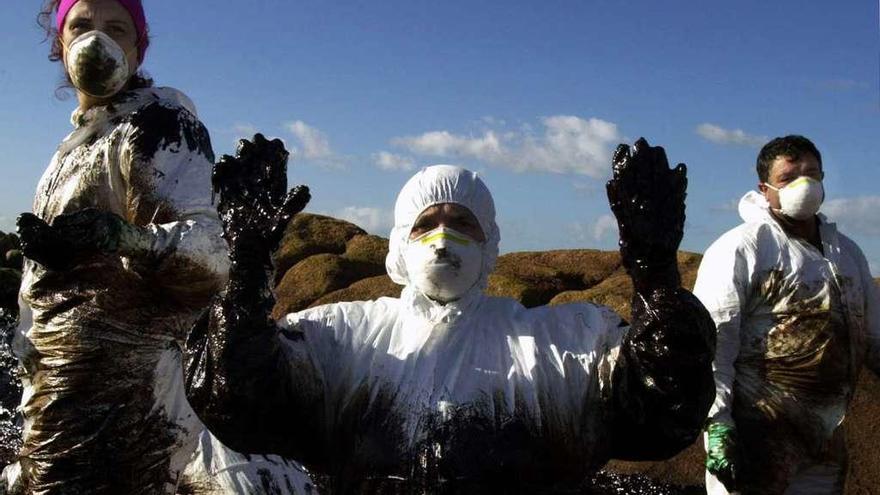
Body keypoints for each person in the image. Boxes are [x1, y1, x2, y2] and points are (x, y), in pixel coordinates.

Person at [184, 135, 717, 493]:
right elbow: (237, 402)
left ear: (490, 245)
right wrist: (248, 266)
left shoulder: (562, 340)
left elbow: (664, 413)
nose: (444, 237)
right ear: (398, 244)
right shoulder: (342, 337)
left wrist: (655, 274)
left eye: (464, 221)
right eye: (426, 223)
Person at [6, 1, 314, 493]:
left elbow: (209, 256)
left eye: (116, 28)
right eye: (81, 25)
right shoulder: (79, 142)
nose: (96, 40)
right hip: (62, 392)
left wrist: (126, 238)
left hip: (129, 401)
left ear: (137, 47)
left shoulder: (159, 125)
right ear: (59, 42)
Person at [696, 135, 880, 494]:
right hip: (754, 434)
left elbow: (872, 335)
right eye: (788, 177)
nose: (804, 184)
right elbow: (714, 342)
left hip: (823, 436)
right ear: (765, 189)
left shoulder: (847, 253)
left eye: (812, 173)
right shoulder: (744, 246)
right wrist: (716, 424)